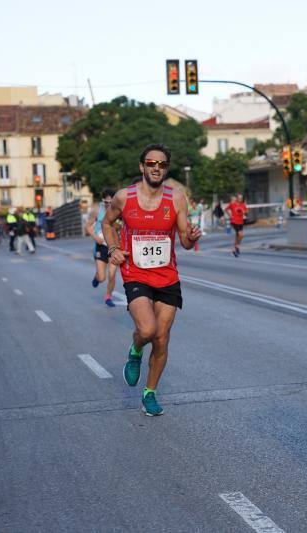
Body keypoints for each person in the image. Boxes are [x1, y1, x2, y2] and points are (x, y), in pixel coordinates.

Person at [103, 143, 201, 416]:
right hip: (135, 273)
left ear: (166, 169)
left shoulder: (177, 198)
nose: (156, 168)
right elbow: (107, 223)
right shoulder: (124, 197)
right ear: (142, 167)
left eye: (162, 164)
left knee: (162, 338)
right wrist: (113, 249)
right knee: (147, 330)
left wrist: (191, 237)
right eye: (151, 163)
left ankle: (150, 393)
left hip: (167, 275)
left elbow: (184, 240)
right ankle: (135, 351)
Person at [85, 189, 117, 307]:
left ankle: (108, 296)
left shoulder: (119, 210)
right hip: (101, 245)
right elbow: (88, 226)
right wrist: (95, 237)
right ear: (103, 201)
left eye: (111, 202)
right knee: (102, 278)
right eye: (106, 202)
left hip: (113, 246)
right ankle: (97, 276)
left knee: (112, 274)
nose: (109, 204)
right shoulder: (97, 210)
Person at [225, 193, 248, 257]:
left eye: (241, 198)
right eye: (239, 198)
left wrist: (244, 213)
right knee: (241, 234)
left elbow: (246, 211)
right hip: (234, 221)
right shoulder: (233, 204)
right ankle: (237, 247)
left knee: (238, 236)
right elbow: (226, 209)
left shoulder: (243, 205)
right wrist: (230, 215)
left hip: (241, 222)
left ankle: (235, 249)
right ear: (237, 198)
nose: (240, 199)